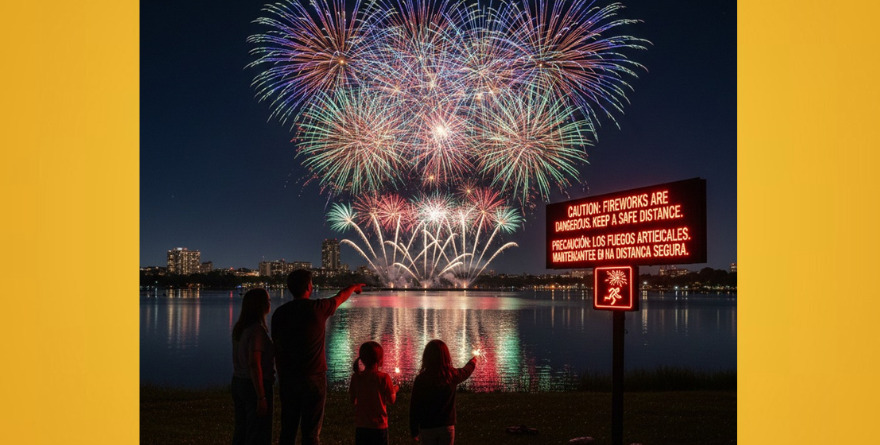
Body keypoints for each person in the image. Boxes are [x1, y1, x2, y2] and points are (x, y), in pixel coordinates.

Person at [272, 269, 364, 445]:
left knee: (288, 430)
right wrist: (353, 287)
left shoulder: (280, 313)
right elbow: (340, 297)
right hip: (314, 377)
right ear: (309, 286)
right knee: (311, 433)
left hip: (288, 378)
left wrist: (281, 373)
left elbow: (276, 346)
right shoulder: (317, 308)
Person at [409, 340, 477, 445]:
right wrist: (472, 362)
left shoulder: (421, 379)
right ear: (446, 356)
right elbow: (465, 371)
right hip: (446, 425)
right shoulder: (451, 375)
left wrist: (414, 430)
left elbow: (414, 406)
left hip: (427, 426)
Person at [231, 288, 274, 445]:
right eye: (268, 300)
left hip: (238, 382)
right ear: (261, 305)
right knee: (257, 432)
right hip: (253, 386)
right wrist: (261, 396)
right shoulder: (256, 330)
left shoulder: (239, 329)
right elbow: (254, 363)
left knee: (241, 430)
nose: (270, 303)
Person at [349, 341, 399, 445]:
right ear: (380, 360)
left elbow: (353, 400)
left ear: (362, 359)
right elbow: (392, 400)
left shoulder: (356, 377)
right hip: (379, 426)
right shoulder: (384, 378)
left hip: (361, 426)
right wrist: (395, 389)